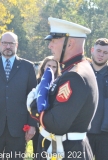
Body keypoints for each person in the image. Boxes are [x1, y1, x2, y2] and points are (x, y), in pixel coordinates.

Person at [28, 17, 97, 160]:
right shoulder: (75, 69)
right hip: (65, 148)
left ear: (70, 43)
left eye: (53, 41)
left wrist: (34, 106)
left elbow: (56, 124)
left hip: (67, 151)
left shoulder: (74, 76)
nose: (50, 46)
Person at [0, 32, 37, 160]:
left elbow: (33, 98)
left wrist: (32, 124)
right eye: (5, 43)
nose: (8, 46)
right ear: (0, 44)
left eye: (11, 43)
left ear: (17, 45)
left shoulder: (27, 67)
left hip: (18, 128)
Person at [31, 55, 61, 158]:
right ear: (43, 67)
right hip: (37, 122)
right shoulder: (36, 82)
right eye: (48, 66)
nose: (51, 69)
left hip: (52, 124)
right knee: (37, 153)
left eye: (54, 66)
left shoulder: (60, 83)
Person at [87, 38, 108, 160]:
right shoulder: (81, 73)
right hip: (83, 133)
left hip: (105, 134)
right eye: (99, 51)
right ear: (92, 50)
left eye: (105, 53)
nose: (101, 55)